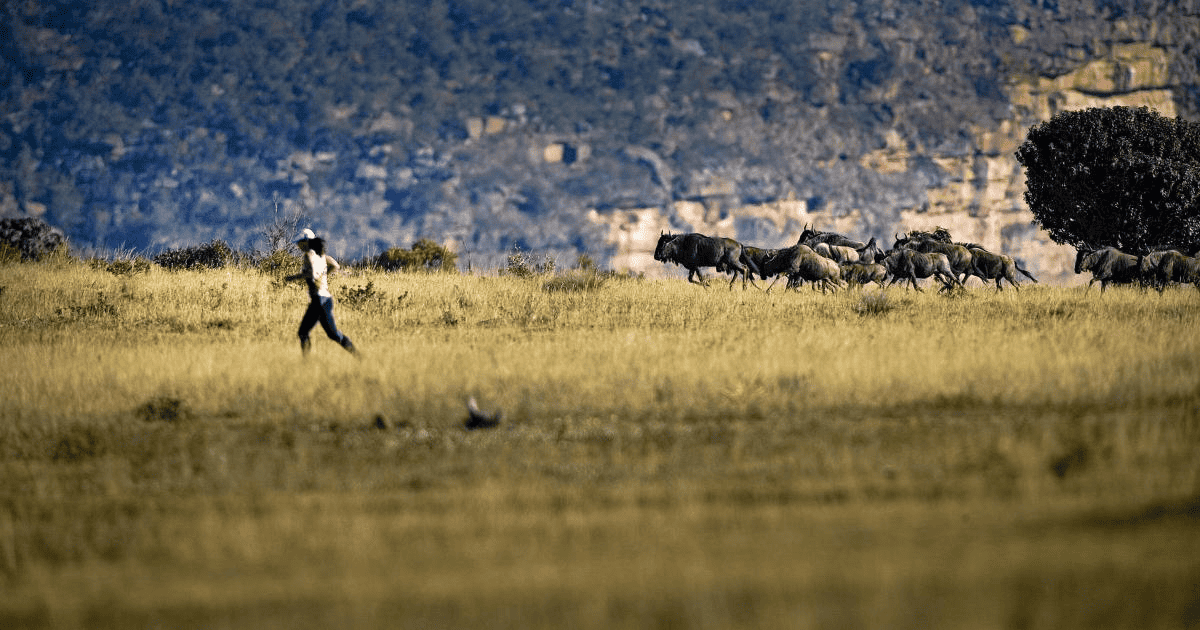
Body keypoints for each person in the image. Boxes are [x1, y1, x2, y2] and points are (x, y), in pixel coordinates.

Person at [286, 228, 358, 356]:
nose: (298, 246)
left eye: (300, 243)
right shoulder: (322, 255)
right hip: (323, 300)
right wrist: (324, 276)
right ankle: (358, 356)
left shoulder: (309, 255)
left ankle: (306, 364)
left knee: (312, 333)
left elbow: (312, 273)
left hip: (319, 300)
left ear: (306, 241)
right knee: (331, 334)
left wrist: (293, 277)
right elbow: (336, 266)